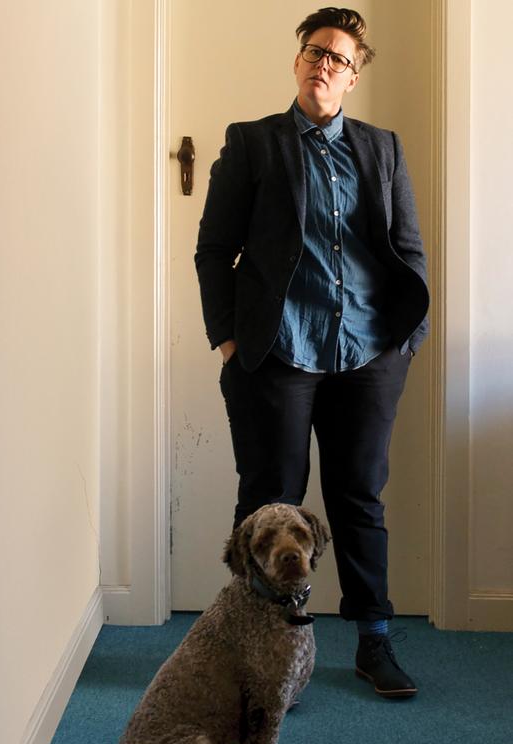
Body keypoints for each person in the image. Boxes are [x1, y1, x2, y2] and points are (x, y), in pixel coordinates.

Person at [195, 7, 429, 699]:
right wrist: (230, 338)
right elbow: (214, 249)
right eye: (315, 50)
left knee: (359, 496)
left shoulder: (382, 148)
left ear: (353, 77)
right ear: (298, 61)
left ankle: (373, 641)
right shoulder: (252, 143)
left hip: (368, 354)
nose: (325, 62)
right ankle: (258, 650)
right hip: (278, 353)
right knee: (270, 500)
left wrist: (406, 341)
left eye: (340, 57)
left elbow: (407, 247)